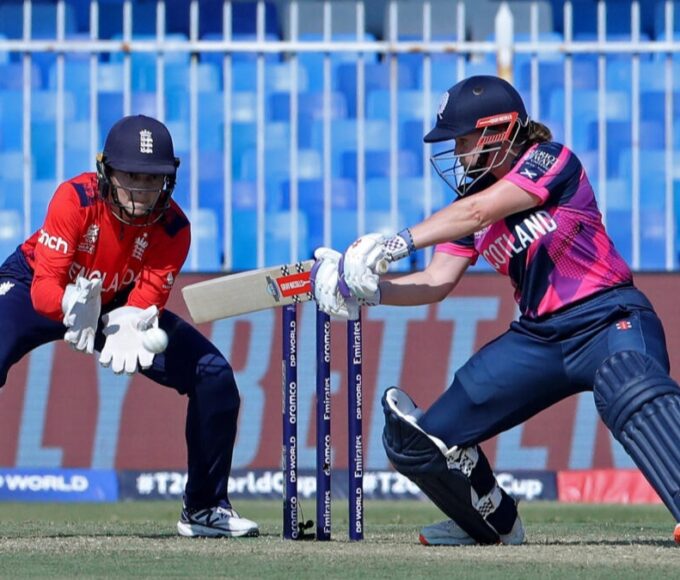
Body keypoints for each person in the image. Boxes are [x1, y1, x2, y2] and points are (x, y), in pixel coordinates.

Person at [312, 75, 680, 545]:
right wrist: (369, 290)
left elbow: (481, 213)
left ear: (499, 131)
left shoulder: (552, 160)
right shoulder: (466, 204)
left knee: (627, 382)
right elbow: (435, 282)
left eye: (463, 140)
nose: (457, 153)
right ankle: (492, 521)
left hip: (609, 317)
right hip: (539, 341)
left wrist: (394, 242)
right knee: (423, 441)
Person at [0, 114, 258, 539]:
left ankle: (205, 507)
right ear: (107, 171)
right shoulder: (75, 199)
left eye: (153, 179)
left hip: (118, 305)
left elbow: (147, 298)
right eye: (131, 176)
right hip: (44, 282)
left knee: (214, 376)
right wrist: (71, 303)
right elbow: (44, 290)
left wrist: (129, 320)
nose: (141, 190)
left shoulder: (174, 228)